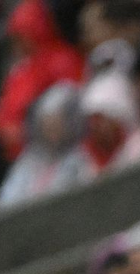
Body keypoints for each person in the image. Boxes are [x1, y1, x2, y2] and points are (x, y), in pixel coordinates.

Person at [0, 0, 84, 164]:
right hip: (13, 153)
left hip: (52, 149)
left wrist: (25, 131)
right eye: (17, 37)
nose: (20, 42)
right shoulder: (21, 69)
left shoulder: (63, 60)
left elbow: (66, 107)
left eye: (24, 35)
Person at [0, 81, 87, 208]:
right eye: (47, 124)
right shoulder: (30, 159)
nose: (51, 131)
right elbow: (8, 197)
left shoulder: (79, 159)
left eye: (56, 124)